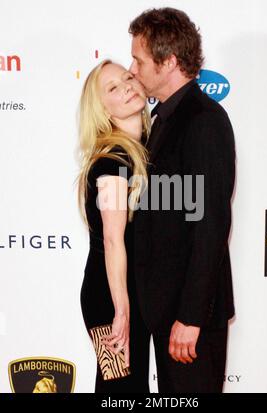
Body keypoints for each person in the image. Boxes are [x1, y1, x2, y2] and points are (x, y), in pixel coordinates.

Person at [129, 7, 236, 393]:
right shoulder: (163, 119)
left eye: (139, 60)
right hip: (166, 310)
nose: (133, 69)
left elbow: (211, 227)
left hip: (189, 319)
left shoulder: (204, 120)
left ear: (169, 61)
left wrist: (190, 318)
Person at [77, 59, 151, 393]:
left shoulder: (149, 147)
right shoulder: (113, 161)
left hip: (133, 292)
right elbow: (112, 239)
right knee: (119, 392)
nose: (127, 87)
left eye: (128, 77)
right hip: (110, 298)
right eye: (113, 88)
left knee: (128, 389)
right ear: (103, 110)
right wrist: (121, 310)